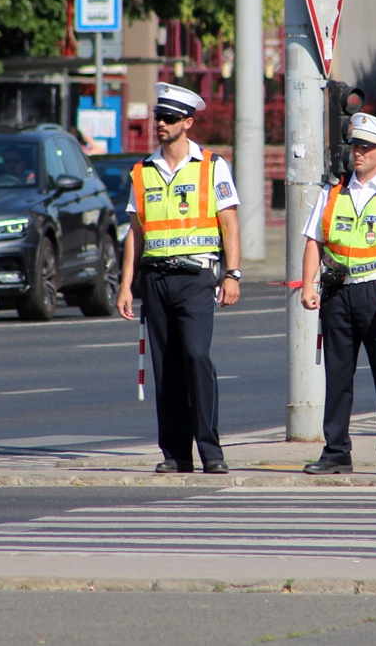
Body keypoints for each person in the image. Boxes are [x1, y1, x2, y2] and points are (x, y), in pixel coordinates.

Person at [117, 82, 242, 475]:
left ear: (187, 122)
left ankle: (211, 450)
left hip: (196, 277)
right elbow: (134, 232)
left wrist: (232, 274)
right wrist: (125, 284)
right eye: (158, 117)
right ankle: (175, 453)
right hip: (155, 279)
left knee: (196, 357)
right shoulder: (142, 171)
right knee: (165, 367)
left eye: (169, 118)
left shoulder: (211, 166)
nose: (161, 124)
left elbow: (229, 223)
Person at [299, 113, 376, 477]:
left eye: (366, 147)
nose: (358, 153)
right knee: (337, 376)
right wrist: (308, 284)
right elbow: (314, 241)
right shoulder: (333, 192)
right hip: (337, 292)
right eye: (355, 145)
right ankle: (336, 452)